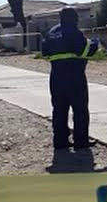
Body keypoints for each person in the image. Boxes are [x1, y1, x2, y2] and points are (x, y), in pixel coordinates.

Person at [41, 8, 99, 150]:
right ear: (73, 18)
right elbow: (85, 50)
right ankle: (81, 141)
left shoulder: (52, 32)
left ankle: (60, 141)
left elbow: (45, 52)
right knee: (80, 110)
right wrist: (94, 43)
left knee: (59, 110)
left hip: (56, 77)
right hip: (74, 76)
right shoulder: (74, 31)